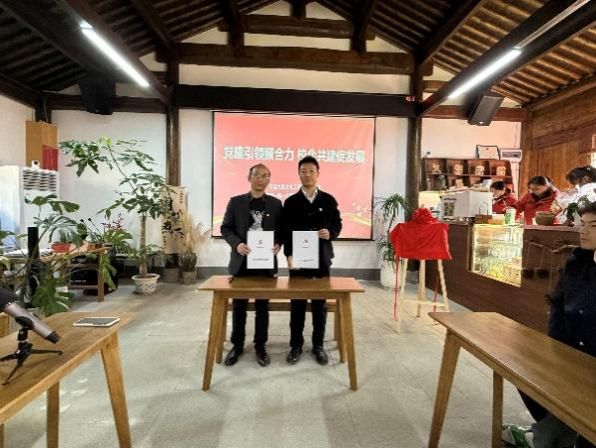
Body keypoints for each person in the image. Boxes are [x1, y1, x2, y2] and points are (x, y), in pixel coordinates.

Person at [502, 200, 596, 448]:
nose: (584, 231)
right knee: (522, 365)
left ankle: (554, 434)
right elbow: (557, 306)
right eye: (583, 224)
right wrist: (555, 351)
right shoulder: (578, 261)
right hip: (572, 352)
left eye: (594, 226)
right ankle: (556, 429)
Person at [220, 163, 282, 367]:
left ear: (269, 179)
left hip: (265, 264)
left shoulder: (275, 204)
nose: (260, 179)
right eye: (256, 175)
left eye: (265, 175)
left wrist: (278, 243)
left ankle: (260, 346)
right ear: (249, 177)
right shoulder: (236, 202)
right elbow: (226, 228)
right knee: (239, 307)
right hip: (242, 264)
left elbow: (281, 230)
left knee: (262, 308)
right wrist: (237, 244)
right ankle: (237, 346)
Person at [282, 156, 342, 365]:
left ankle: (318, 346)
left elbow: (337, 224)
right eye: (303, 171)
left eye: (310, 171)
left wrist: (331, 232)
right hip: (298, 261)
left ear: (318, 173)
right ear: (298, 174)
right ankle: (296, 345)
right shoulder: (290, 202)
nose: (307, 175)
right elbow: (285, 231)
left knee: (319, 305)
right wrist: (288, 255)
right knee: (297, 305)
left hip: (322, 260)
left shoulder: (329, 200)